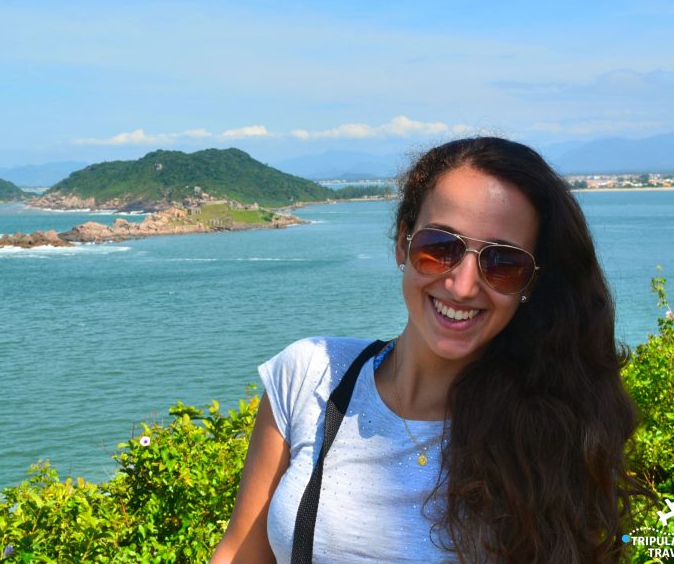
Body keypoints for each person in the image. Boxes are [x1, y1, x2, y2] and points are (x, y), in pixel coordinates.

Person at [211, 137, 641, 563]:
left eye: (502, 263)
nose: (463, 285)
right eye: (440, 248)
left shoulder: (550, 432)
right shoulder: (311, 374)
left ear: (529, 283)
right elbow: (239, 554)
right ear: (403, 242)